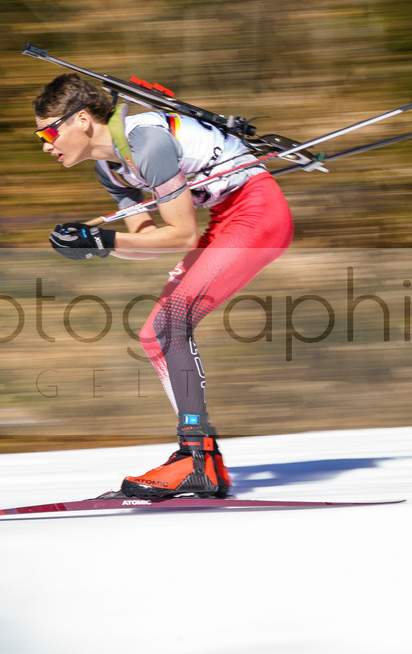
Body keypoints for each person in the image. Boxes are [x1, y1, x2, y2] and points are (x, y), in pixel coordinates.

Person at [33, 73, 294, 499]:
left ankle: (196, 460)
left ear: (81, 120)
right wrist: (96, 246)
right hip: (226, 221)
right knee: (155, 333)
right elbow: (148, 242)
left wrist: (104, 239)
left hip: (256, 213)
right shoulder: (111, 170)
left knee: (171, 323)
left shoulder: (146, 143)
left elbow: (182, 236)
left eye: (48, 131)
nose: (46, 144)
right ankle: (200, 458)